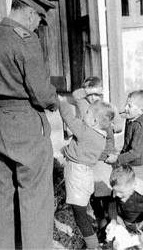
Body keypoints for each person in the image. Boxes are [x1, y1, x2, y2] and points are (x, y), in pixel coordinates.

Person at [0, 0, 59, 249]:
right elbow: (42, 94)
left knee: (3, 195)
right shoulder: (25, 40)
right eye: (39, 22)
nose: (37, 28)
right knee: (35, 197)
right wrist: (56, 103)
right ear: (32, 15)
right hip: (25, 124)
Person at [59, 95, 115, 250]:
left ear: (94, 122)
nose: (85, 115)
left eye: (88, 113)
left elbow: (69, 119)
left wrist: (62, 102)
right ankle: (100, 236)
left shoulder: (86, 132)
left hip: (77, 175)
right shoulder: (100, 137)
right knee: (83, 210)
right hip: (85, 174)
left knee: (80, 215)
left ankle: (93, 246)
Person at [72, 76, 123, 235]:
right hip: (89, 157)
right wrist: (89, 91)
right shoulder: (83, 105)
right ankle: (101, 226)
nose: (93, 98)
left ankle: (112, 224)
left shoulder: (108, 107)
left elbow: (120, 125)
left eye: (97, 94)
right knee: (93, 194)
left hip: (105, 158)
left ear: (102, 93)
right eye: (90, 94)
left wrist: (105, 127)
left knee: (106, 192)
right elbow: (75, 94)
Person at [106, 164, 143, 249]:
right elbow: (111, 207)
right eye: (116, 191)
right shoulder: (117, 192)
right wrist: (113, 221)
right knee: (117, 238)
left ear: (133, 184)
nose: (118, 195)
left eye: (121, 192)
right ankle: (139, 242)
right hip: (126, 222)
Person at [105, 90, 143, 185]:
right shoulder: (130, 120)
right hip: (131, 164)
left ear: (141, 111)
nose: (125, 108)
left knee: (139, 192)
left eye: (129, 106)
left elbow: (135, 153)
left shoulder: (141, 126)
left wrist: (117, 159)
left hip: (140, 167)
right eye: (126, 105)